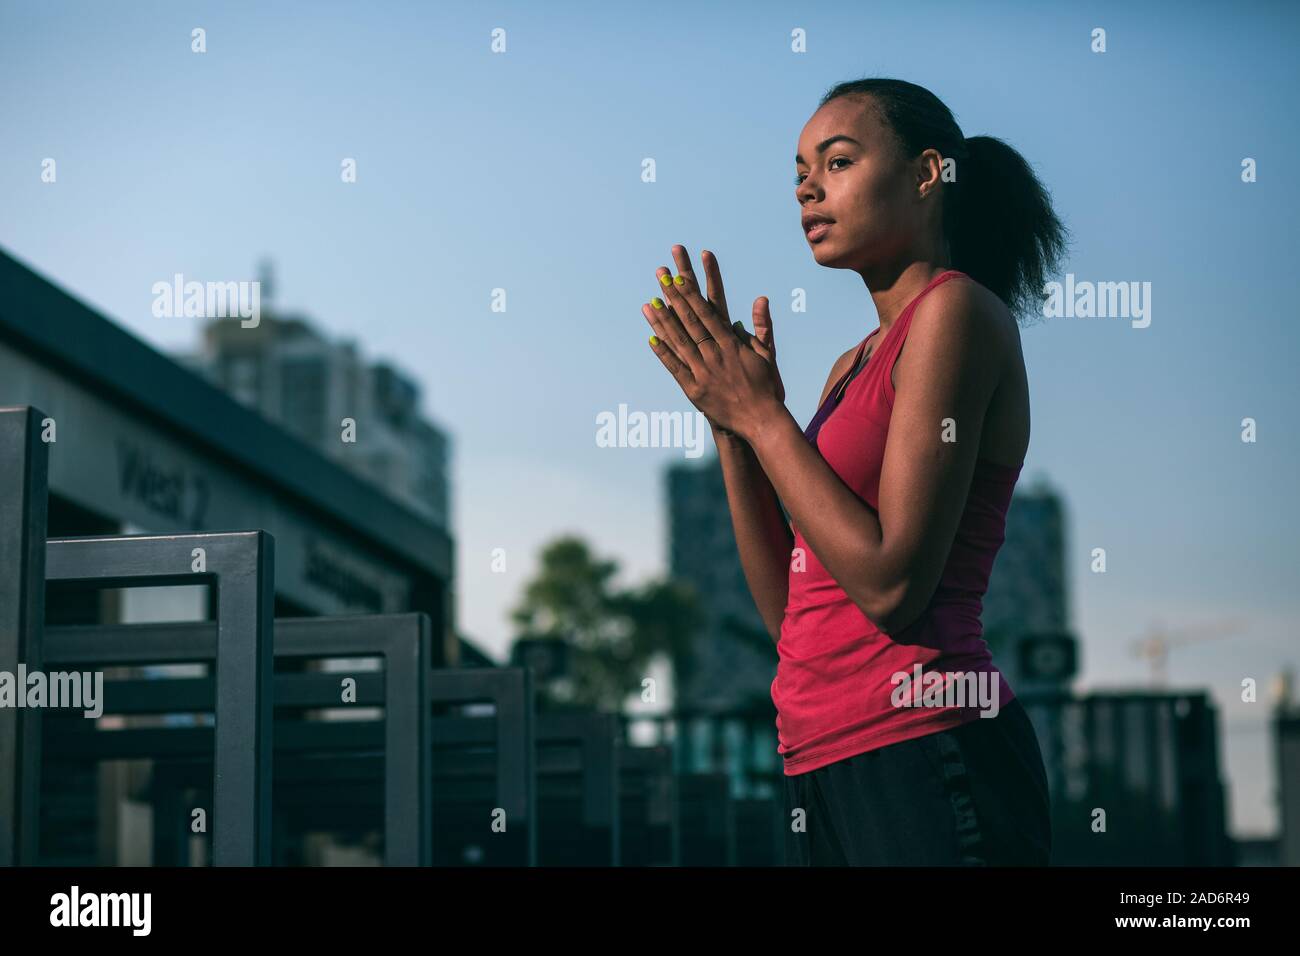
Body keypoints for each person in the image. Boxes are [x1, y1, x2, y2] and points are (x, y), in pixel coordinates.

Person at [640, 77, 1068, 865]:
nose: (808, 187)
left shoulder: (956, 312)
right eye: (799, 171)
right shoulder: (849, 367)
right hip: (824, 758)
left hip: (929, 748)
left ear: (925, 174)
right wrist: (736, 427)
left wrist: (767, 418)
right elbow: (792, 619)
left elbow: (891, 585)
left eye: (836, 162)